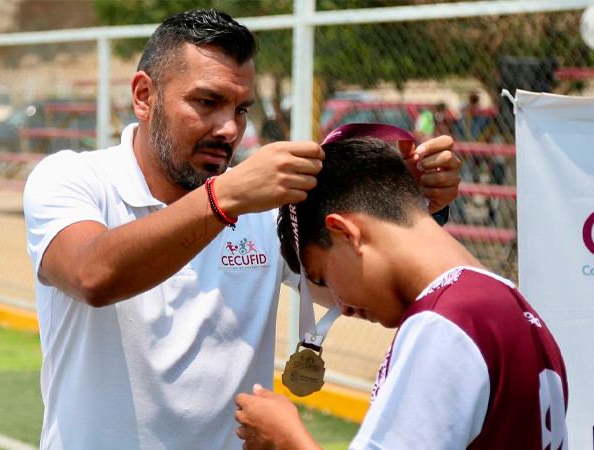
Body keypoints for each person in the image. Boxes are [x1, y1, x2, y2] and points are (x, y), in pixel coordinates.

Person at [23, 9, 460, 449]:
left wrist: (419, 214)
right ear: (143, 96)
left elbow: (356, 294)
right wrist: (225, 199)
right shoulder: (72, 178)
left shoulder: (263, 206)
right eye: (207, 103)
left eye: (241, 109)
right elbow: (92, 276)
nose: (229, 129)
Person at [234, 136, 568, 449]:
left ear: (345, 233)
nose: (343, 307)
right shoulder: (510, 305)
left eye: (323, 277)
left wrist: (287, 441)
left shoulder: (444, 326)